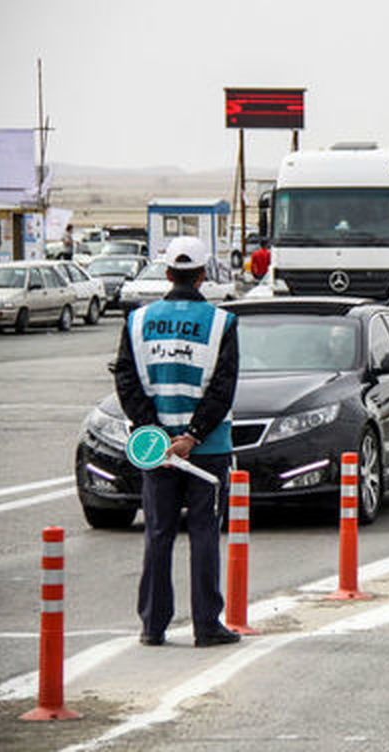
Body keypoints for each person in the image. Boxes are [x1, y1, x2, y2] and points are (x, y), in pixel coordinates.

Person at [113, 236, 241, 648]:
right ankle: (207, 626)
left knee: (158, 533)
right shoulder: (223, 323)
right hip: (208, 450)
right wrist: (192, 436)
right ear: (203, 275)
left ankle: (153, 626)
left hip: (156, 450)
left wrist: (157, 433)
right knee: (204, 533)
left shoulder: (137, 321)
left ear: (167, 273)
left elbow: (127, 382)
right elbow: (223, 389)